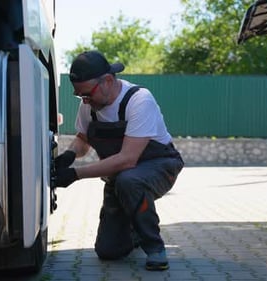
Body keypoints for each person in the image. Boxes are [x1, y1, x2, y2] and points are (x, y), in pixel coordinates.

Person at [54, 50, 184, 271]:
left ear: (107, 81)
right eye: (80, 96)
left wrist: (76, 174)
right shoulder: (89, 106)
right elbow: (83, 140)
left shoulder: (139, 100)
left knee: (129, 180)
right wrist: (69, 155)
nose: (85, 101)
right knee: (109, 251)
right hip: (121, 177)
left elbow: (127, 159)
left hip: (161, 166)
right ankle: (133, 225)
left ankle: (155, 248)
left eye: (87, 94)